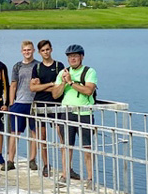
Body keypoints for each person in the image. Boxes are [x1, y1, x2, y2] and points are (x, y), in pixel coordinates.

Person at [54, 43, 97, 182]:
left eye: (75, 56)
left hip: (85, 114)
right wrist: (63, 83)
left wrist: (71, 83)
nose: (72, 59)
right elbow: (55, 95)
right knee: (66, 146)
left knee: (87, 147)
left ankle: (90, 178)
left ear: (81, 57)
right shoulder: (63, 73)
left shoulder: (89, 72)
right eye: (70, 57)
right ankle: (65, 175)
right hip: (66, 113)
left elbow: (89, 90)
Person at [29, 39, 63, 178]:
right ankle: (46, 164)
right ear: (39, 52)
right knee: (42, 137)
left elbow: (61, 86)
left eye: (47, 49)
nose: (46, 52)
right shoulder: (37, 68)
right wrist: (50, 85)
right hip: (41, 105)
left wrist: (43, 86)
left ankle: (66, 167)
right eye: (43, 50)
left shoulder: (59, 66)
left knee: (62, 136)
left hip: (56, 105)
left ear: (51, 49)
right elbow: (32, 88)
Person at [5, 40, 39, 171]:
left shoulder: (38, 65)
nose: (27, 52)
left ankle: (32, 159)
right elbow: (13, 85)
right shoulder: (17, 66)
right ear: (21, 51)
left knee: (34, 133)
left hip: (33, 103)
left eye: (29, 50)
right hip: (19, 102)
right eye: (25, 50)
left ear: (33, 50)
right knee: (14, 133)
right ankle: (10, 160)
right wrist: (11, 103)